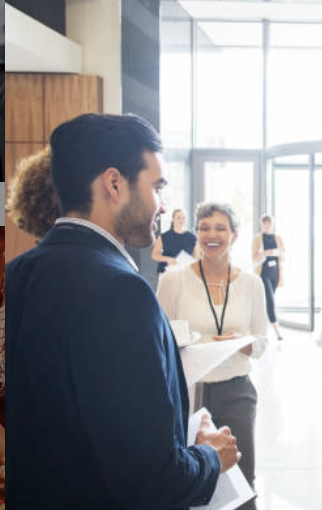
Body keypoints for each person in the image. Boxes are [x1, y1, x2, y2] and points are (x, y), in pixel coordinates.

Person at [5, 113, 240, 509]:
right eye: (157, 187)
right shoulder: (121, 291)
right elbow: (153, 482)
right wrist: (211, 458)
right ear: (114, 183)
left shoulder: (18, 272)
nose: (163, 205)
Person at [158, 202, 268, 510]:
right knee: (189, 479)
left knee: (241, 482)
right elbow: (159, 340)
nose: (211, 235)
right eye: (204, 227)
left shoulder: (251, 283)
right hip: (189, 392)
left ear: (234, 235)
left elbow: (262, 340)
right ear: (196, 233)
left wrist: (243, 342)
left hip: (237, 390)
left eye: (220, 228)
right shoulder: (173, 280)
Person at [252, 214, 285, 341]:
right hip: (263, 272)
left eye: (269, 224)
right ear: (261, 224)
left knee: (269, 301)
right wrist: (265, 253)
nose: (267, 226)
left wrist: (279, 254)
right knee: (270, 301)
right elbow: (254, 258)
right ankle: (278, 333)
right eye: (265, 224)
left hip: (275, 273)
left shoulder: (278, 238)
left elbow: (283, 257)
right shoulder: (257, 239)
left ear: (272, 224)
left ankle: (262, 328)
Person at [152, 208, 199, 275]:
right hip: (165, 272)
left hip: (184, 273)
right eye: (179, 217)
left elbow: (197, 258)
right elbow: (154, 255)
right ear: (173, 219)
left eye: (183, 218)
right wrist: (168, 259)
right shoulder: (164, 236)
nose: (181, 220)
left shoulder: (192, 238)